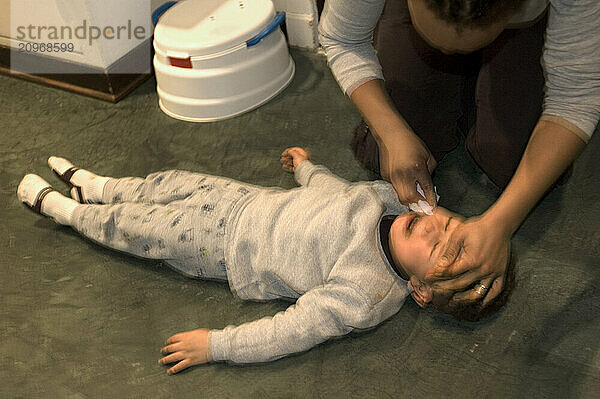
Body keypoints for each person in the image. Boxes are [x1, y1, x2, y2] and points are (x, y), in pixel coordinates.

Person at [17, 148, 514, 373]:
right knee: (163, 183)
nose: (433, 228)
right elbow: (338, 195)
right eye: (450, 224)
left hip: (222, 247)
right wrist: (307, 170)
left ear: (420, 290)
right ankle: (98, 185)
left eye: (437, 249)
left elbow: (291, 330)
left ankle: (66, 212)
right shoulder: (387, 200)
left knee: (136, 229)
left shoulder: (366, 292)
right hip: (244, 198)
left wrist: (217, 345)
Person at [318, 0, 598, 304]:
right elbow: (341, 39)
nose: (434, 228)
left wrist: (501, 223)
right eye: (448, 228)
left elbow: (575, 100)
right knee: (377, 151)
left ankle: (485, 81)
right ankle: (469, 89)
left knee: (513, 165)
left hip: (528, 25)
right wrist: (390, 133)